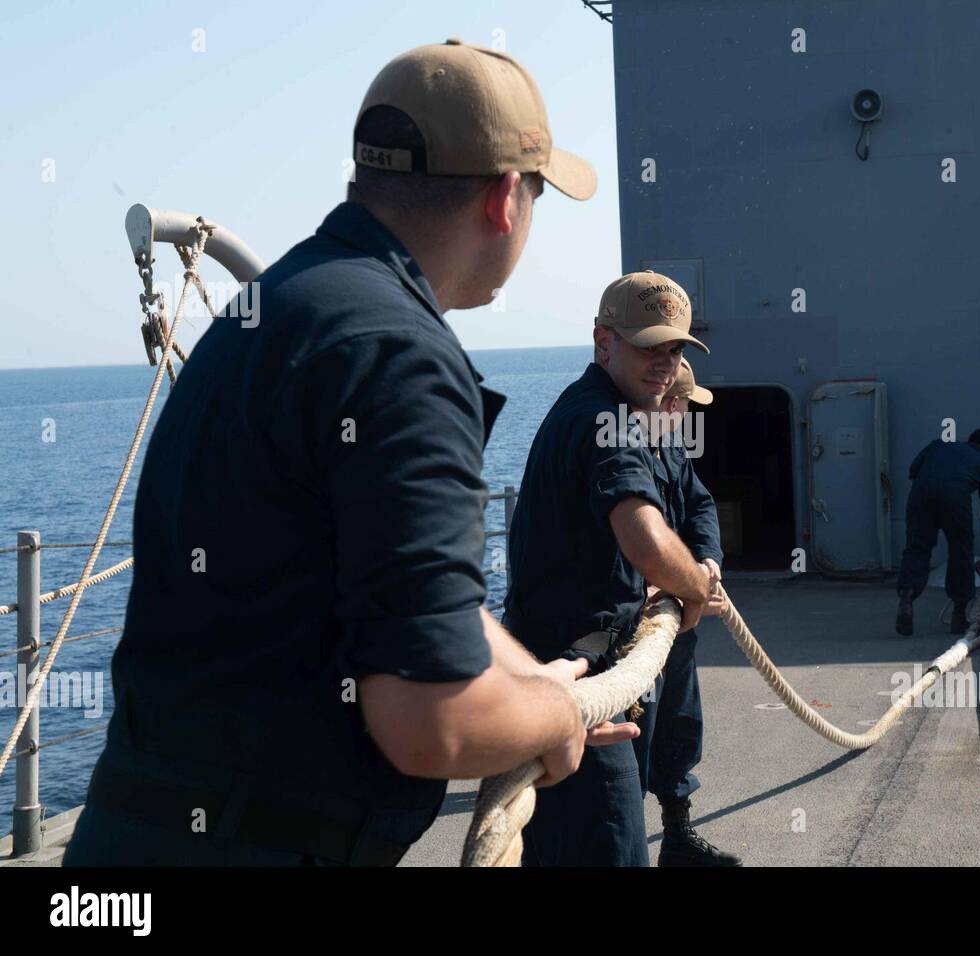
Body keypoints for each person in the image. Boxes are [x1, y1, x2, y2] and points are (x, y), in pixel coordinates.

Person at [65, 40, 611, 867]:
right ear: (506, 199)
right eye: (538, 194)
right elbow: (432, 720)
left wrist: (532, 686)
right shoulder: (402, 357)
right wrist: (557, 718)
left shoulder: (273, 308)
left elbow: (404, 604)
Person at [503, 271, 714, 867]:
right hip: (572, 676)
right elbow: (645, 539)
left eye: (674, 349)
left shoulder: (617, 413)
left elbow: (692, 505)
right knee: (611, 842)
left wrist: (697, 570)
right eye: (649, 346)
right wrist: (695, 586)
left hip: (594, 665)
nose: (664, 364)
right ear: (603, 342)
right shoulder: (608, 420)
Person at [633, 358, 743, 866]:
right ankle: (626, 848)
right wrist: (683, 587)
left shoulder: (672, 449)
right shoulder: (623, 452)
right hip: (633, 633)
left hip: (676, 621)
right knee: (630, 745)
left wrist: (708, 564)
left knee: (678, 723)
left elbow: (700, 507)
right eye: (684, 408)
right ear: (672, 404)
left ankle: (677, 838)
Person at [895, 429, 980, 637]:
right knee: (960, 552)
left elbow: (913, 471)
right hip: (956, 498)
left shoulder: (937, 445)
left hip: (920, 495)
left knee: (917, 548)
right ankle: (959, 615)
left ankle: (907, 597)